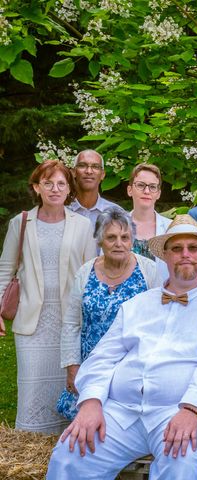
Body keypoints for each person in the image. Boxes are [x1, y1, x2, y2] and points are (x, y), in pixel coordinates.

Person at [47, 215, 197, 479]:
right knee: (70, 454)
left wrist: (192, 408)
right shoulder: (137, 304)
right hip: (124, 411)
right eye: (177, 248)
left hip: (183, 409)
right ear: (164, 255)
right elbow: (103, 356)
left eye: (193, 248)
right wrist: (91, 401)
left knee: (181, 466)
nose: (185, 254)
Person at [0, 160, 95, 434]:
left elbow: (90, 271)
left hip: (70, 320)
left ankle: (66, 438)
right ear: (36, 187)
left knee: (69, 381)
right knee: (32, 381)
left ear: (69, 190)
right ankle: (31, 437)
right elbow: (6, 268)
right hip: (32, 319)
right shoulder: (21, 222)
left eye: (61, 183)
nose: (55, 189)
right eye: (48, 183)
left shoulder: (83, 225)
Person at [58, 207, 163, 419]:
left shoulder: (148, 270)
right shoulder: (85, 272)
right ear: (99, 240)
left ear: (132, 239)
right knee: (88, 425)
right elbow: (71, 323)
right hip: (91, 366)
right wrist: (72, 366)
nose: (119, 243)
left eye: (125, 237)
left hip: (131, 366)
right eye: (111, 237)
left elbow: (160, 321)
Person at [127, 163, 171, 261]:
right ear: (129, 190)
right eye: (140, 185)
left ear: (158, 193)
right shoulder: (114, 226)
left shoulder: (171, 228)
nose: (147, 191)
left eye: (152, 186)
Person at [69, 150, 119, 231]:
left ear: (102, 174)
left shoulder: (116, 214)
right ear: (73, 172)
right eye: (82, 165)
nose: (89, 171)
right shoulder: (61, 210)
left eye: (95, 166)